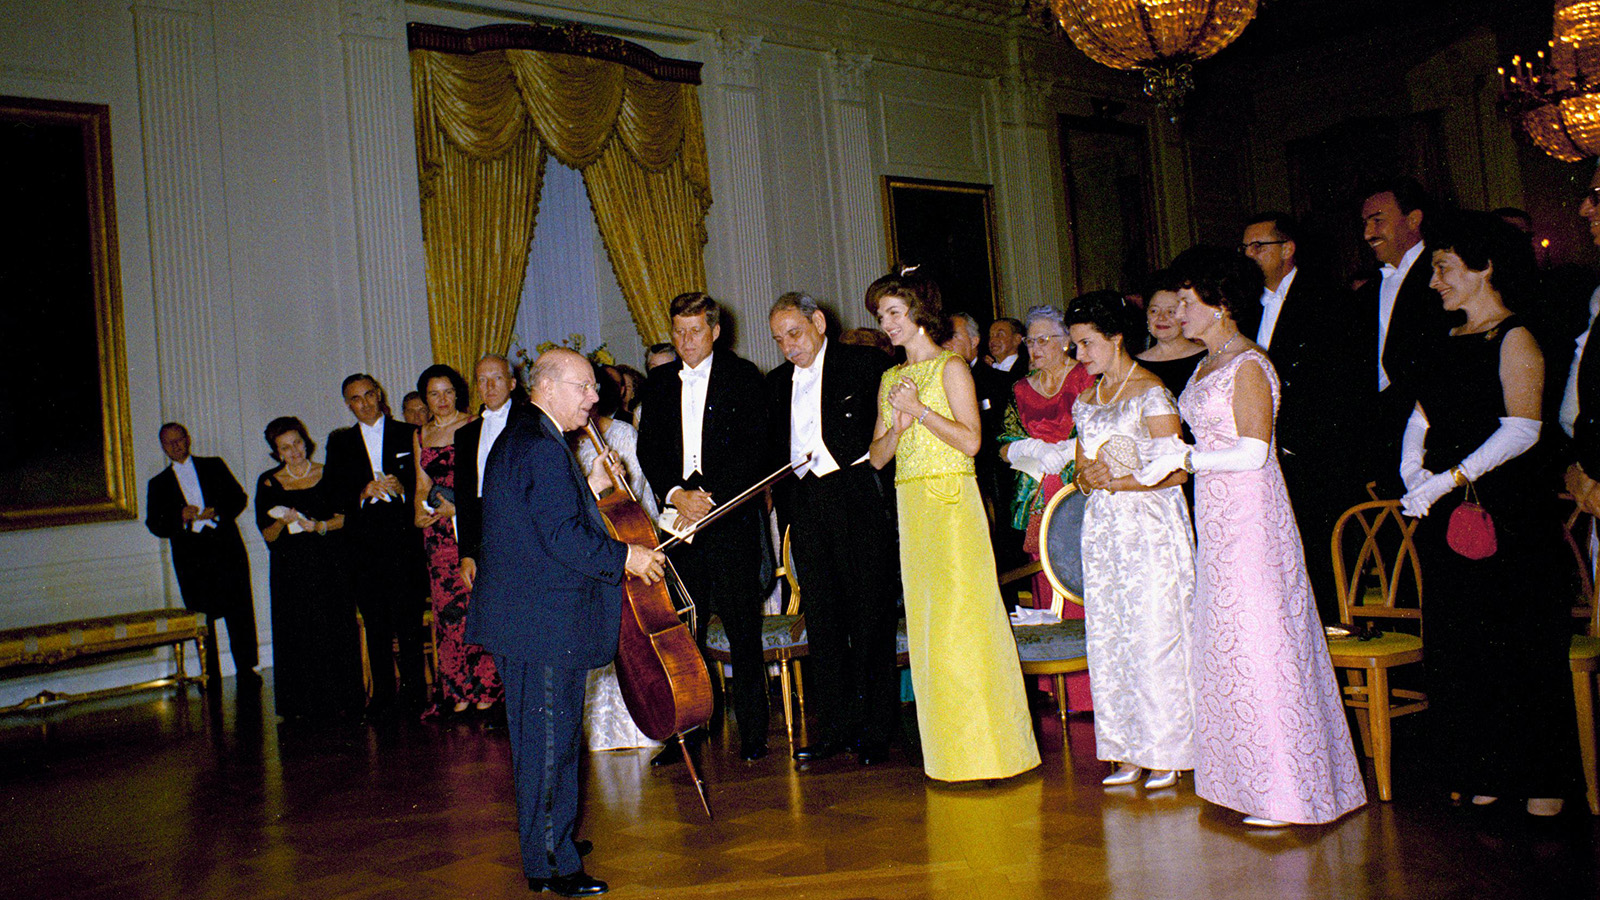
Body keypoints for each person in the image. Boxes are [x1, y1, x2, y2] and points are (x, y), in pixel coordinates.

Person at [1137, 246, 1365, 827]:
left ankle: (1288, 792)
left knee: (1262, 642)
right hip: (1217, 515)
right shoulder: (1206, 363)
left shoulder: (1248, 364)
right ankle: (1245, 783)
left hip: (1252, 516)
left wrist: (1185, 456)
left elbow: (1253, 451)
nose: (1178, 313)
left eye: (1186, 302)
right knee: (1231, 644)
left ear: (1220, 304)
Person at [464, 348, 666, 897]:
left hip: (531, 620)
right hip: (543, 623)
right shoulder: (539, 445)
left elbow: (548, 519)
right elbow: (562, 538)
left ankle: (549, 840)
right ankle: (552, 863)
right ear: (548, 387)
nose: (595, 397)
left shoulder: (531, 437)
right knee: (550, 745)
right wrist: (629, 557)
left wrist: (594, 484)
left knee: (543, 743)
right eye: (585, 387)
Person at [1399, 211, 1575, 817]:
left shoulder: (1517, 335)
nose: (1434, 282)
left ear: (1485, 268)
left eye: (1443, 268)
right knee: (1463, 644)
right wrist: (1414, 474)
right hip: (1447, 508)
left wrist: (1449, 478)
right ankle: (1486, 769)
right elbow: (1420, 417)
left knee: (1519, 643)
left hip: (1507, 510)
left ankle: (1545, 782)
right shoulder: (1444, 338)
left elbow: (1523, 428)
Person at [866, 266, 1039, 783]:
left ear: (919, 313)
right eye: (880, 315)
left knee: (967, 619)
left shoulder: (952, 367)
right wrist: (898, 426)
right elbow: (877, 458)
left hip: (953, 502)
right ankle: (949, 757)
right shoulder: (890, 379)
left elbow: (971, 441)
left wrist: (919, 411)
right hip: (912, 504)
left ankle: (994, 753)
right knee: (929, 626)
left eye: (893, 312)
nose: (886, 323)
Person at [1066, 295, 1196, 792]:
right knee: (1112, 636)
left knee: (1155, 634)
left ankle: (1168, 751)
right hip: (1104, 531)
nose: (1079, 355)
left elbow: (1177, 471)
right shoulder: (1087, 400)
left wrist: (1119, 481)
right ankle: (1125, 749)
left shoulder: (1152, 393)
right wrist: (1088, 477)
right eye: (1076, 345)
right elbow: (1081, 469)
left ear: (1115, 338)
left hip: (1150, 527)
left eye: (1086, 344)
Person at [637, 292, 773, 763]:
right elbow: (649, 449)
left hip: (728, 518)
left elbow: (757, 449)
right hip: (679, 522)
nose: (686, 341)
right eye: (678, 332)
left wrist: (709, 497)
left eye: (695, 331)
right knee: (683, 632)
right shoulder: (658, 382)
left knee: (742, 628)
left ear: (715, 331)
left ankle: (753, 732)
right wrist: (676, 494)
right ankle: (689, 733)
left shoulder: (744, 376)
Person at [766, 292, 900, 766]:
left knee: (870, 617)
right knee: (822, 621)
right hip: (805, 506)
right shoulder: (775, 383)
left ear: (819, 322)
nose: (788, 346)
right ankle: (835, 729)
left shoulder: (865, 365)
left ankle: (877, 730)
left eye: (795, 333)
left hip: (858, 498)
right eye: (779, 339)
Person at [1242, 213, 1370, 622]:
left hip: (1313, 455)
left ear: (1287, 249)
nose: (1249, 255)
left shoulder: (1327, 300)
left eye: (1258, 246)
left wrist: (1300, 439)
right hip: (1262, 453)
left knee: (1319, 565)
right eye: (1244, 248)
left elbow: (1342, 382)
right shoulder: (1243, 307)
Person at [999, 303, 1096, 709]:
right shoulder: (1020, 388)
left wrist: (1068, 451)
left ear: (1066, 341)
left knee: (1082, 581)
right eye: (1030, 341)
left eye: (1044, 340)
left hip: (1081, 493)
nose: (1035, 348)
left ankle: (1089, 691)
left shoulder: (1085, 377)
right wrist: (1031, 448)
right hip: (1037, 495)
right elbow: (1002, 444)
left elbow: (1101, 431)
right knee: (1045, 581)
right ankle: (1058, 692)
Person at [324, 374, 426, 712]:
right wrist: (362, 492)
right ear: (348, 404)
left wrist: (403, 489)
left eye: (369, 394)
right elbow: (331, 493)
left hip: (403, 542)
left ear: (379, 394)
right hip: (363, 547)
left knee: (408, 621)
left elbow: (426, 482)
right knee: (376, 622)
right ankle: (382, 694)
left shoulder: (408, 433)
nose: (365, 403)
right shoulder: (340, 442)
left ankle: (415, 692)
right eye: (356, 398)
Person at [574, 362, 661, 752]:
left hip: (627, 537)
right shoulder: (565, 442)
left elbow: (639, 493)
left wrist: (617, 485)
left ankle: (643, 720)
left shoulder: (623, 434)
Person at [254, 417, 365, 719]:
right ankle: (302, 705)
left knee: (335, 627)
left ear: (306, 441)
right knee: (298, 631)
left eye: (297, 443)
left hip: (330, 564)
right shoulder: (268, 482)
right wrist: (282, 521)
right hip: (291, 571)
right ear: (276, 452)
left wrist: (319, 526)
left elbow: (347, 517)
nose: (294, 452)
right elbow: (268, 535)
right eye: (285, 448)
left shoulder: (328, 473)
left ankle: (343, 699)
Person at [412, 363, 500, 717]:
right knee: (448, 614)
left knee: (475, 607)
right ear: (425, 398)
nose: (442, 399)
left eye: (448, 391)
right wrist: (419, 513)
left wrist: (458, 511)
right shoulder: (421, 434)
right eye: (434, 394)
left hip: (470, 528)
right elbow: (421, 484)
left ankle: (487, 688)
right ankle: (458, 689)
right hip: (437, 535)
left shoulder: (474, 425)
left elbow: (486, 482)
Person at [144, 422, 259, 685]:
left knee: (239, 610)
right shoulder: (158, 483)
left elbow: (239, 498)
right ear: (163, 447)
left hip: (227, 549)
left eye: (179, 439)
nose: (175, 445)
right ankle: (210, 672)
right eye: (169, 442)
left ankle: (246, 669)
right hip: (191, 558)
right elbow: (154, 524)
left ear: (188, 439)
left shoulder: (214, 465)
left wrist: (216, 510)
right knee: (202, 615)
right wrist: (179, 516)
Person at [1359, 177, 1454, 492]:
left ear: (1413, 219)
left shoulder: (1444, 276)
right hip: (1380, 435)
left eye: (1377, 221)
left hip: (1432, 433)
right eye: (1365, 223)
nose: (1368, 233)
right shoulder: (1366, 292)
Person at [455, 354, 522, 594]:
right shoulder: (465, 435)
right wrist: (467, 554)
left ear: (512, 383)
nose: (490, 386)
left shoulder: (531, 423)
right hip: (485, 533)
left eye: (497, 378)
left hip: (523, 528)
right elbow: (464, 499)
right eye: (482, 380)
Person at [1134, 271, 1205, 401]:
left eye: (1171, 311)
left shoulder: (1205, 358)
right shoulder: (1135, 365)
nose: (1161, 318)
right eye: (1154, 311)